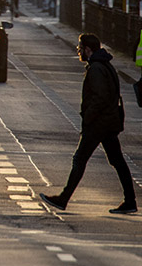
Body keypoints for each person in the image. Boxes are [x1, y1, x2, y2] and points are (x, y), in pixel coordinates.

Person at [40, 33, 137, 215]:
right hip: (108, 122)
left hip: (99, 123)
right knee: (117, 161)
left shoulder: (96, 69)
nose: (78, 50)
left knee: (80, 159)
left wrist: (88, 117)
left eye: (80, 47)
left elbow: (100, 97)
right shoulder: (104, 65)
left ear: (87, 49)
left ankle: (63, 198)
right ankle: (130, 200)